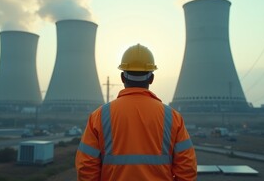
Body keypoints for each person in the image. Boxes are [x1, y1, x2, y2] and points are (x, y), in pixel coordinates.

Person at [75, 44, 197, 181]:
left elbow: (86, 167)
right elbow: (187, 168)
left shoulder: (99, 116)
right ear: (151, 78)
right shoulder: (173, 117)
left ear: (122, 77)